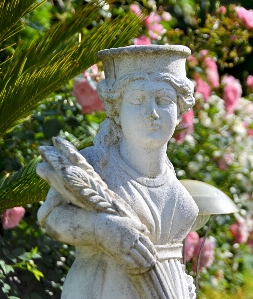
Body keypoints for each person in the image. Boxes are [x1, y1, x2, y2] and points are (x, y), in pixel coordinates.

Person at [37, 45, 198, 299]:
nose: (152, 113)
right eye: (137, 100)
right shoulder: (94, 165)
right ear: (116, 111)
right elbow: (51, 218)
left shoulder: (169, 174)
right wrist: (100, 228)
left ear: (180, 111)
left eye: (164, 100)